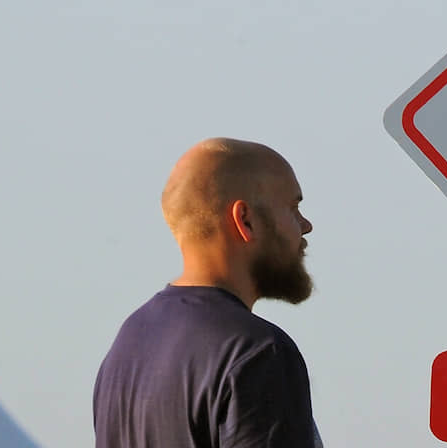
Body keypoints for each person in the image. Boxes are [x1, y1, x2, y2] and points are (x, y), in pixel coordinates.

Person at [93, 138, 322, 447]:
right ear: (245, 220)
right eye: (293, 208)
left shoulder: (128, 344)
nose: (306, 225)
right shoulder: (257, 352)